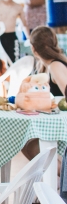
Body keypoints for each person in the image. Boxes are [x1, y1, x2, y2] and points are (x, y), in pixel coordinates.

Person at [21, 26, 67, 163]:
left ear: (34, 49)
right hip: (54, 122)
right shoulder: (48, 65)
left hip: (61, 125)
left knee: (27, 143)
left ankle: (57, 176)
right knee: (26, 141)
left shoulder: (55, 66)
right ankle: (54, 177)